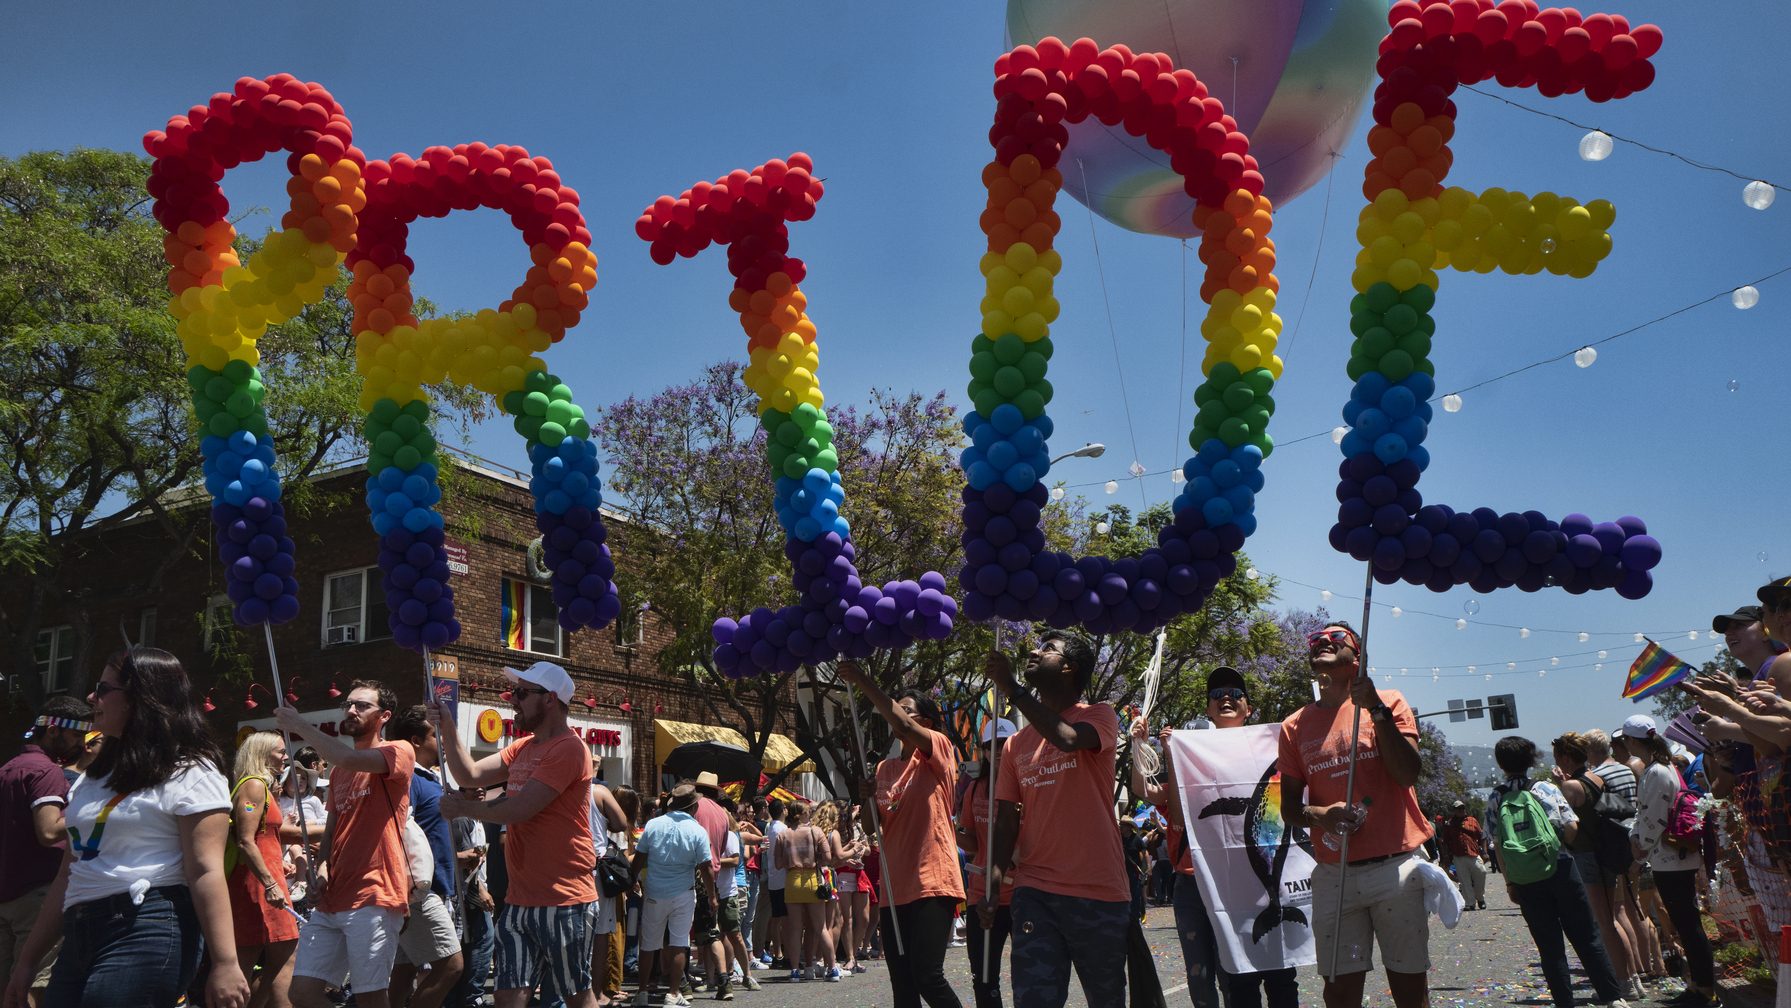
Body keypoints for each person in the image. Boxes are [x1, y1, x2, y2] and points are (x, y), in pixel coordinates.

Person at [3, 646, 248, 1008]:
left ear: (140, 698)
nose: (91, 697)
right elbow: (68, 874)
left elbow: (205, 871)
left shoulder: (191, 771)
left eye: (103, 689)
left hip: (150, 923)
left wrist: (226, 962)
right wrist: (26, 963)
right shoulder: (93, 779)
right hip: (80, 930)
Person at [1277, 622, 1432, 1008]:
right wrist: (1322, 814)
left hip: (1395, 868)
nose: (1322, 644)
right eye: (1315, 640)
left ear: (1357, 657)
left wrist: (1375, 709)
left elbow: (1407, 773)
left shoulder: (1390, 701)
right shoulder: (1293, 727)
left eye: (1335, 639)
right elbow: (1291, 810)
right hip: (1335, 875)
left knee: (1410, 990)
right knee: (1340, 994)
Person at [1130, 666, 1299, 1008]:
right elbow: (1163, 804)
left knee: (1277, 974)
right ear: (1207, 709)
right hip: (1200, 881)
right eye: (1217, 694)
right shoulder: (1193, 757)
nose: (1226, 698)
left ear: (1248, 708)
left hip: (1257, 880)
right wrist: (1147, 746)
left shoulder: (1271, 746)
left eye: (1236, 694)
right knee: (1225, 976)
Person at [433, 662, 598, 1008]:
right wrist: (447, 725)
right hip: (520, 899)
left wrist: (463, 808)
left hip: (565, 899)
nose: (512, 699)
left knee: (576, 995)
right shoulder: (523, 747)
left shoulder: (569, 748)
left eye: (522, 693)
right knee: (508, 995)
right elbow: (470, 773)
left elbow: (521, 808)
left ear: (550, 699)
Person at [982, 632, 1131, 1008]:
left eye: (1047, 649)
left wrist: (1012, 688)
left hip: (1097, 891)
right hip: (1035, 893)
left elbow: (1066, 739)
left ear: (1068, 668)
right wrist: (993, 880)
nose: (1033, 650)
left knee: (1107, 999)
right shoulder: (1015, 744)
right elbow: (1005, 819)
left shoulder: (1100, 715)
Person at [277, 681, 417, 1008]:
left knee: (370, 997)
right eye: (349, 704)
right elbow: (331, 830)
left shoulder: (399, 750)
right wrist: (321, 869)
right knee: (301, 993)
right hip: (332, 897)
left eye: (362, 705)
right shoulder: (340, 771)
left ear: (385, 716)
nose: (352, 710)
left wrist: (298, 724)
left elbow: (345, 757)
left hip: (374, 893)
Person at [836, 660, 966, 1008]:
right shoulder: (885, 767)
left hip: (932, 881)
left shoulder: (938, 749)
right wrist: (865, 797)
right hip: (895, 887)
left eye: (906, 710)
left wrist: (862, 679)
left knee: (928, 976)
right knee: (903, 983)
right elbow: (870, 827)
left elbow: (902, 723)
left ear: (925, 722)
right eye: (898, 708)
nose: (897, 716)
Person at [1488, 735, 1628, 1007]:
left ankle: (1565, 1002)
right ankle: (1613, 997)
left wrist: (1510, 883)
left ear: (1501, 764)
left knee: (1549, 947)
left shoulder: (1496, 797)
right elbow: (1572, 829)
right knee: (1586, 935)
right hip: (1561, 868)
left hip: (1525, 878)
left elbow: (1497, 844)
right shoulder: (1545, 789)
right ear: (1531, 761)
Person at [0, 697, 88, 1008]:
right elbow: (49, 830)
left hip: (7, 895)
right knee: (33, 987)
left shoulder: (9, 768)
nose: (79, 744)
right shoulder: (47, 772)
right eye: (76, 736)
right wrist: (93, 814)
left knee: (8, 991)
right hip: (37, 896)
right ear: (53, 731)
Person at [1625, 717, 1719, 1007]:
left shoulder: (1655, 772)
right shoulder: (1666, 767)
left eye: (1626, 739)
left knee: (1688, 924)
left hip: (1669, 857)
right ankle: (1698, 985)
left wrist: (1638, 847)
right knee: (1685, 922)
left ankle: (1705, 990)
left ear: (1633, 740)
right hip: (1676, 854)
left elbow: (1653, 817)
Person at [387, 706, 465, 1008]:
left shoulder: (431, 779)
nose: (441, 741)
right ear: (416, 741)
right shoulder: (409, 779)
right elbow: (401, 831)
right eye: (436, 735)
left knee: (405, 969)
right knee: (451, 965)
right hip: (419, 891)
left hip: (435, 887)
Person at [227, 730, 304, 1008]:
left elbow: (269, 835)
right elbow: (246, 842)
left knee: (275, 954)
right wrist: (270, 883)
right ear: (262, 754)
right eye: (281, 751)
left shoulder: (262, 788)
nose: (286, 757)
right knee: (251, 959)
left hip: (266, 880)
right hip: (256, 885)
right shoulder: (254, 786)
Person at [631, 784, 718, 1008]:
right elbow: (706, 867)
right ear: (693, 806)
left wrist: (632, 881)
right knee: (680, 943)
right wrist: (711, 896)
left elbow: (640, 857)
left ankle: (641, 992)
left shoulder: (654, 824)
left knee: (649, 943)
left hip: (654, 891)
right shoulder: (697, 830)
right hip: (682, 893)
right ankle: (672, 993)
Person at [956, 717, 1015, 1008]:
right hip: (983, 896)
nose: (1000, 751)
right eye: (993, 746)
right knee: (983, 976)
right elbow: (972, 844)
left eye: (1006, 744)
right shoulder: (975, 789)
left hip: (1023, 895)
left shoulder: (1029, 786)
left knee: (1030, 974)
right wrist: (948, 828)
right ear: (985, 751)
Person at [775, 799, 839, 982]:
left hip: (793, 880)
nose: (810, 814)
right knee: (820, 927)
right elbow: (827, 859)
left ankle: (795, 970)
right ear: (802, 814)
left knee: (795, 929)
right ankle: (832, 968)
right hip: (812, 879)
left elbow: (778, 864)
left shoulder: (783, 834)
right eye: (807, 812)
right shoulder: (815, 831)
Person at [585, 774, 632, 1006]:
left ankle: (572, 992)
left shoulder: (559, 790)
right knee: (601, 933)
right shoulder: (597, 792)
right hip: (596, 869)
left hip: (567, 870)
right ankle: (596, 993)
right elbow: (621, 823)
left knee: (572, 934)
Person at [686, 773, 732, 998]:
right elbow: (721, 849)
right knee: (712, 932)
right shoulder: (723, 814)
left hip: (689, 872)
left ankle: (682, 982)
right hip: (711, 876)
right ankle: (723, 979)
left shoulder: (692, 807)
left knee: (681, 930)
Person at [449, 812, 495, 1008]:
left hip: (473, 889)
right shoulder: (463, 819)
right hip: (468, 892)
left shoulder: (477, 819)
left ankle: (466, 997)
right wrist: (481, 891)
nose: (479, 791)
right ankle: (471, 997)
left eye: (482, 787)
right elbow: (469, 861)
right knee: (484, 941)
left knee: (476, 944)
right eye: (473, 787)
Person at [752, 798, 788, 968]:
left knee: (775, 918)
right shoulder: (781, 829)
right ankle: (779, 952)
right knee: (781, 918)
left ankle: (777, 952)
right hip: (780, 877)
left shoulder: (771, 827)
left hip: (772, 877)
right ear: (782, 810)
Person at [1442, 800, 1487, 910]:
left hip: (1473, 853)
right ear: (1454, 811)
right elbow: (1446, 842)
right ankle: (1470, 903)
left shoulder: (1472, 820)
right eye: (1458, 809)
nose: (1461, 810)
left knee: (1482, 872)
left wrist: (1485, 852)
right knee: (1464, 880)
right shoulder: (1449, 824)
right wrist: (1446, 857)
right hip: (1458, 856)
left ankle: (1480, 898)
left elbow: (1482, 836)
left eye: (1462, 808)